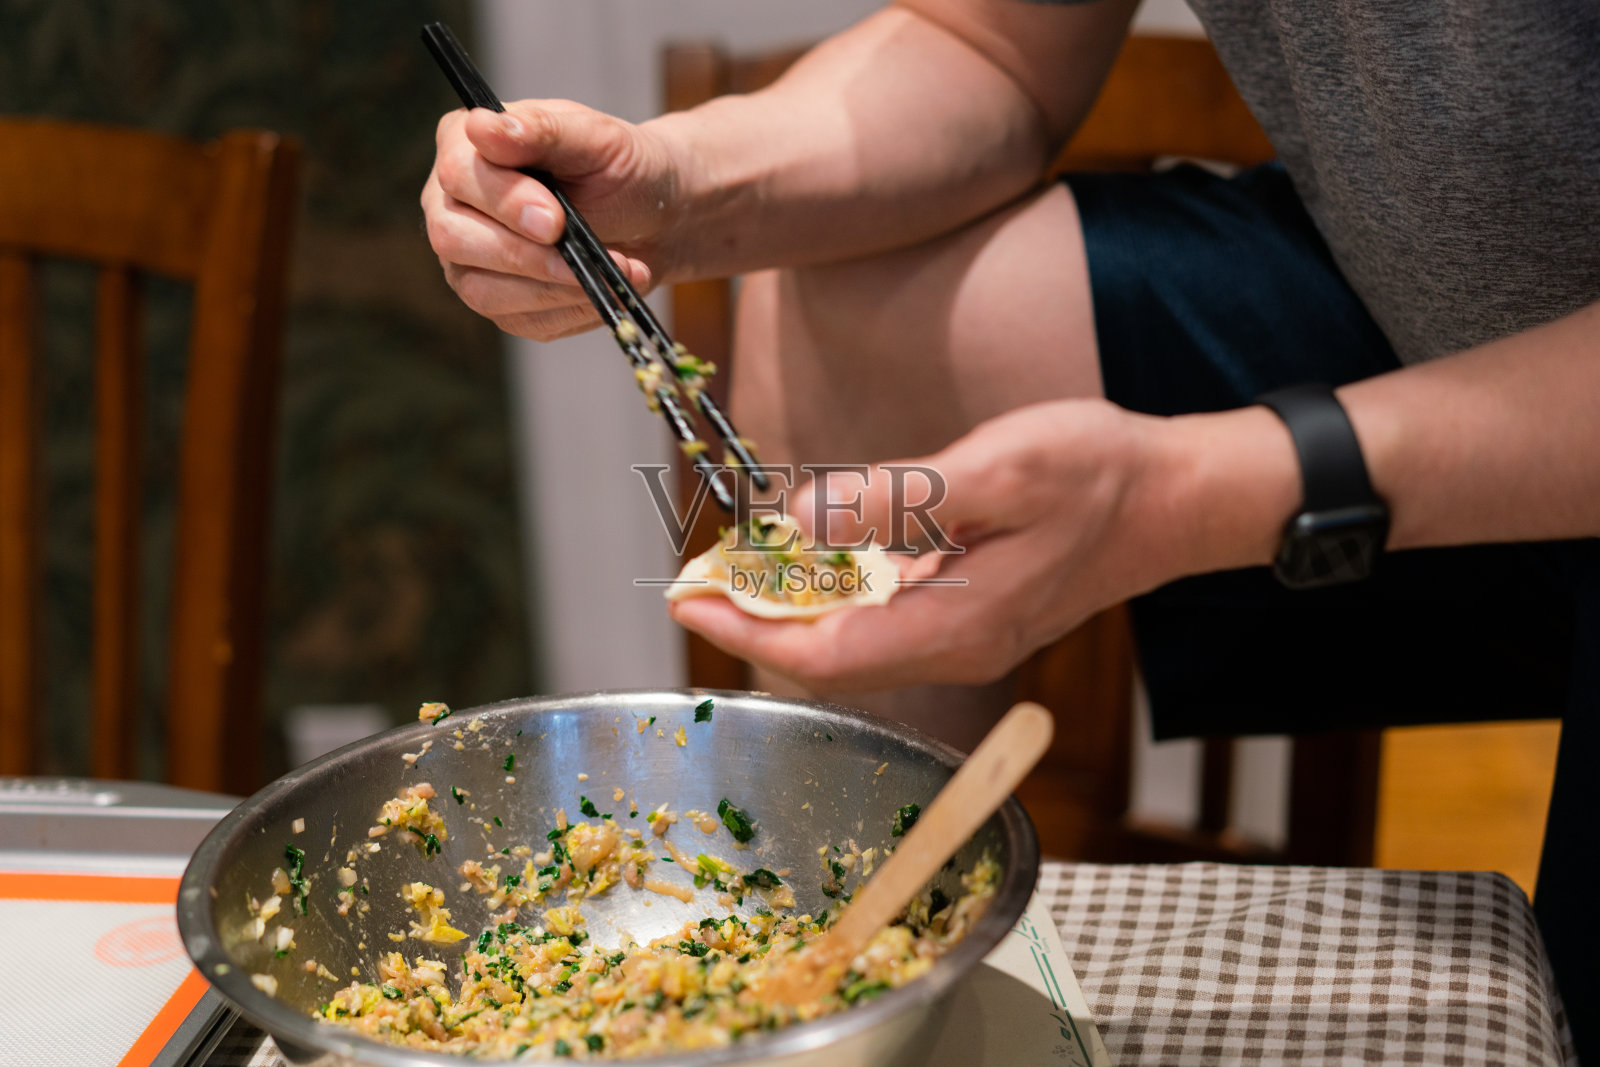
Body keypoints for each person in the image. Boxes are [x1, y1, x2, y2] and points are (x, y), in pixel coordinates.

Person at [421, 0, 1599, 1055]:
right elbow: (987, 44)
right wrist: (674, 181)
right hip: (1430, 320)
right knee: (852, 297)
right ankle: (854, 997)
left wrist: (1199, 491)